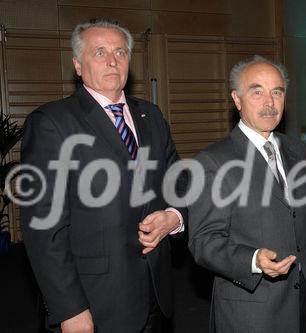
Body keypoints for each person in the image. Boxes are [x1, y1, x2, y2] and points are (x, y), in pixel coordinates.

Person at [20, 18, 187, 333]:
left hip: (156, 294)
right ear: (78, 65)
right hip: (96, 304)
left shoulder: (150, 116)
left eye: (120, 52)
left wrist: (174, 217)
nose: (112, 61)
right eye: (99, 52)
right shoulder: (52, 123)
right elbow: (44, 230)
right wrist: (70, 310)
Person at [187, 55, 306, 333]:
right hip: (253, 312)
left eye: (277, 92)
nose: (269, 103)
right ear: (237, 99)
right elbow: (204, 242)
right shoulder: (214, 161)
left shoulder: (296, 151)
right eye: (257, 92)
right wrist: (253, 260)